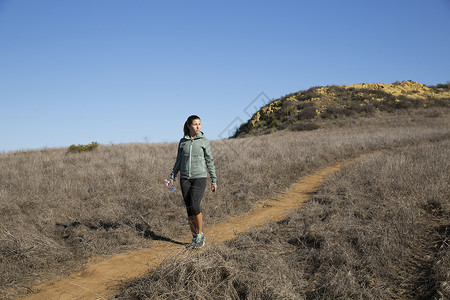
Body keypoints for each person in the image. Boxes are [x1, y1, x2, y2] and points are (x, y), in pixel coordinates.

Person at [166, 115, 217, 249]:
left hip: (199, 177)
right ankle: (194, 238)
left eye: (199, 124)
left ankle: (200, 235)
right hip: (185, 178)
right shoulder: (183, 142)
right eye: (195, 124)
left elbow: (209, 161)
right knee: (189, 209)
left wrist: (214, 180)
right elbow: (178, 161)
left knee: (195, 205)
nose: (198, 126)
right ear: (189, 126)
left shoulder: (204, 141)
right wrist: (172, 177)